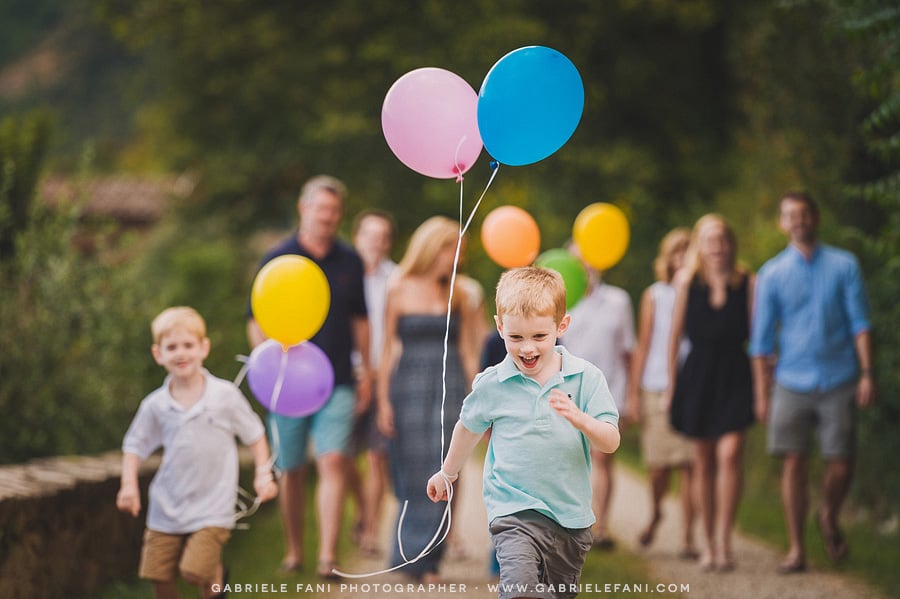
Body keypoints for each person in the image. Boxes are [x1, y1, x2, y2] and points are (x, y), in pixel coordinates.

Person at [427, 266, 620, 599]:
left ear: (562, 326)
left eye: (539, 337)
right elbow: (468, 428)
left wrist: (581, 419)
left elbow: (611, 441)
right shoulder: (492, 383)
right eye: (515, 338)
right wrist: (447, 472)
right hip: (513, 511)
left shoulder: (586, 377)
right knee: (521, 590)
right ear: (500, 326)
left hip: (569, 518)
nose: (527, 348)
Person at [246, 175, 370, 578]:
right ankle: (295, 551)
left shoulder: (351, 260)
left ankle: (328, 557)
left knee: (333, 460)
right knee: (292, 469)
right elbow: (255, 320)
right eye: (321, 208)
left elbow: (361, 320)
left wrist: (366, 370)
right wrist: (267, 366)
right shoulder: (277, 257)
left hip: (338, 380)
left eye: (334, 210)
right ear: (304, 209)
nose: (328, 217)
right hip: (287, 386)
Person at [749, 191, 875, 574]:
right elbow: (761, 342)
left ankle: (828, 514)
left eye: (804, 214)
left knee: (842, 463)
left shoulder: (844, 265)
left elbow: (860, 323)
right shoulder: (772, 273)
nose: (799, 221)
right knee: (794, 463)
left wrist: (867, 373)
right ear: (782, 223)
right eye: (791, 215)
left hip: (840, 377)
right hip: (791, 380)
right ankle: (796, 549)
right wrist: (761, 395)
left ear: (815, 218)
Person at [117, 307, 279, 599]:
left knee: (195, 572)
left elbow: (255, 434)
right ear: (158, 354)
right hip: (166, 507)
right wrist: (129, 486)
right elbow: (134, 445)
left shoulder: (224, 396)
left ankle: (216, 576)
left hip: (213, 507)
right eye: (172, 347)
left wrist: (263, 474)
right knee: (158, 576)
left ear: (204, 348)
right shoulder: (155, 405)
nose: (181, 353)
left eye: (188, 345)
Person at [375, 215, 484, 582]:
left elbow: (468, 351)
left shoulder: (461, 293)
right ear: (433, 248)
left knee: (445, 466)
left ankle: (431, 560)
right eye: (454, 250)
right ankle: (408, 553)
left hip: (450, 386)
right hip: (407, 388)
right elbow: (388, 349)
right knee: (413, 468)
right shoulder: (398, 289)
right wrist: (383, 401)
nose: (458, 258)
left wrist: (480, 395)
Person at [667, 214, 755, 572]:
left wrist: (764, 384)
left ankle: (724, 541)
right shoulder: (688, 284)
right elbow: (674, 338)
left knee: (730, 455)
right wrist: (672, 387)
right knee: (702, 462)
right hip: (698, 376)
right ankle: (707, 543)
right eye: (709, 240)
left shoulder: (748, 282)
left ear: (731, 244)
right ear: (699, 247)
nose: (717, 247)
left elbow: (759, 336)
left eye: (722, 239)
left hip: (735, 374)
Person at [626, 227, 697, 559]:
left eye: (688, 252)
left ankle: (688, 538)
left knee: (690, 465)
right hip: (655, 386)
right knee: (658, 467)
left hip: (692, 386)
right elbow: (643, 344)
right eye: (676, 252)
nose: (681, 258)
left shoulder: (700, 292)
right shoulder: (654, 295)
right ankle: (656, 512)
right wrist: (634, 394)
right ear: (667, 258)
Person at [562, 249, 635, 550]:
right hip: (567, 392)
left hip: (610, 390)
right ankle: (574, 522)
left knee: (603, 456)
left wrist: (632, 396)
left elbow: (629, 352)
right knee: (571, 458)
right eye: (577, 260)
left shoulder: (618, 301)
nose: (584, 265)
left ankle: (601, 527)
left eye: (589, 257)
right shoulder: (560, 301)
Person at [346, 209, 397, 557]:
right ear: (357, 237)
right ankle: (363, 509)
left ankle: (370, 531)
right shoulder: (344, 275)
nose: (375, 243)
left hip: (383, 377)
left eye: (382, 237)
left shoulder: (396, 278)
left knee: (378, 457)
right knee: (344, 457)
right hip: (346, 376)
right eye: (369, 235)